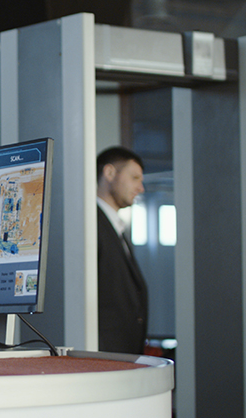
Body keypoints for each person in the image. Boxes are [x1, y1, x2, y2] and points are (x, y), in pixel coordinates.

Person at [96, 146, 148, 354]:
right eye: (135, 178)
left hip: (121, 358)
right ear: (109, 173)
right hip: (103, 359)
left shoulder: (116, 228)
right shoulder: (90, 224)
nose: (141, 188)